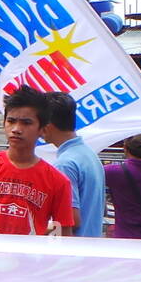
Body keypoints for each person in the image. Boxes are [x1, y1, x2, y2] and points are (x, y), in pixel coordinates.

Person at [0, 85, 74, 236]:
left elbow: (64, 238)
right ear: (3, 123)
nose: (16, 129)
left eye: (26, 123)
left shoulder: (58, 182)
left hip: (31, 259)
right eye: (11, 121)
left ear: (43, 130)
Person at [43, 92, 106, 238]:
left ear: (48, 125)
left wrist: (31, 228)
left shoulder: (65, 164)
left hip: (74, 252)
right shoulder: (89, 155)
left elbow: (71, 220)